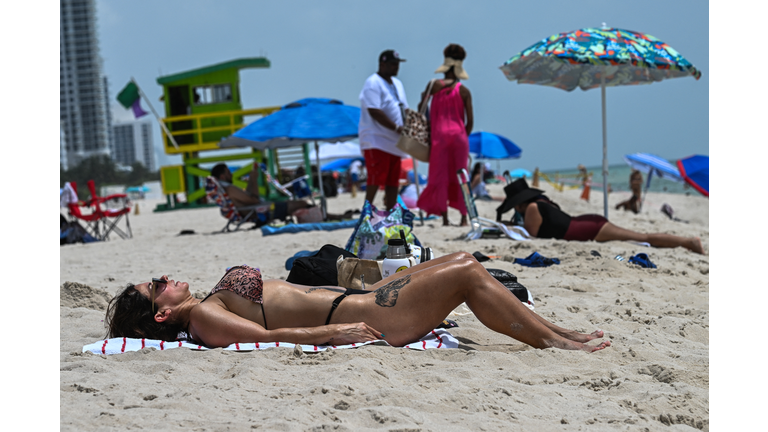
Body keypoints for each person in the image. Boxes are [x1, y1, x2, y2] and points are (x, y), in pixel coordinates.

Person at [105, 252, 611, 353]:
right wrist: (329, 334)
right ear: (162, 313)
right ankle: (554, 341)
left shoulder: (208, 302)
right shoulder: (206, 319)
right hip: (372, 315)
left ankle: (558, 333)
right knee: (467, 274)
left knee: (462, 259)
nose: (164, 277)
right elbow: (267, 337)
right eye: (156, 284)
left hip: (364, 298)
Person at [497, 178, 705, 254]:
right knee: (641, 237)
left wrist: (510, 228)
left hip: (590, 228)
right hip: (587, 224)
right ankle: (688, 242)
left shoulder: (532, 208)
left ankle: (689, 242)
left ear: (519, 203)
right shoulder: (540, 203)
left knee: (643, 237)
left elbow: (531, 235)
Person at [416, 44, 474, 226]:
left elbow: (420, 109)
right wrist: (463, 135)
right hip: (459, 137)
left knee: (439, 177)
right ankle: (464, 218)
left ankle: (446, 219)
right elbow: (470, 120)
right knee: (461, 176)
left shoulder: (434, 86)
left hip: (439, 137)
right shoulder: (464, 91)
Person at [358, 50, 409, 211]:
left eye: (398, 64)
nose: (396, 67)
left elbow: (404, 108)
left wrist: (410, 127)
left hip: (394, 142)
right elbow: (374, 110)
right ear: (382, 64)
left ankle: (390, 212)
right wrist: (396, 127)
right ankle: (367, 211)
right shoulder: (373, 83)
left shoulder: (397, 84)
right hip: (376, 139)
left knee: (393, 181)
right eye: (393, 64)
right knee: (376, 178)